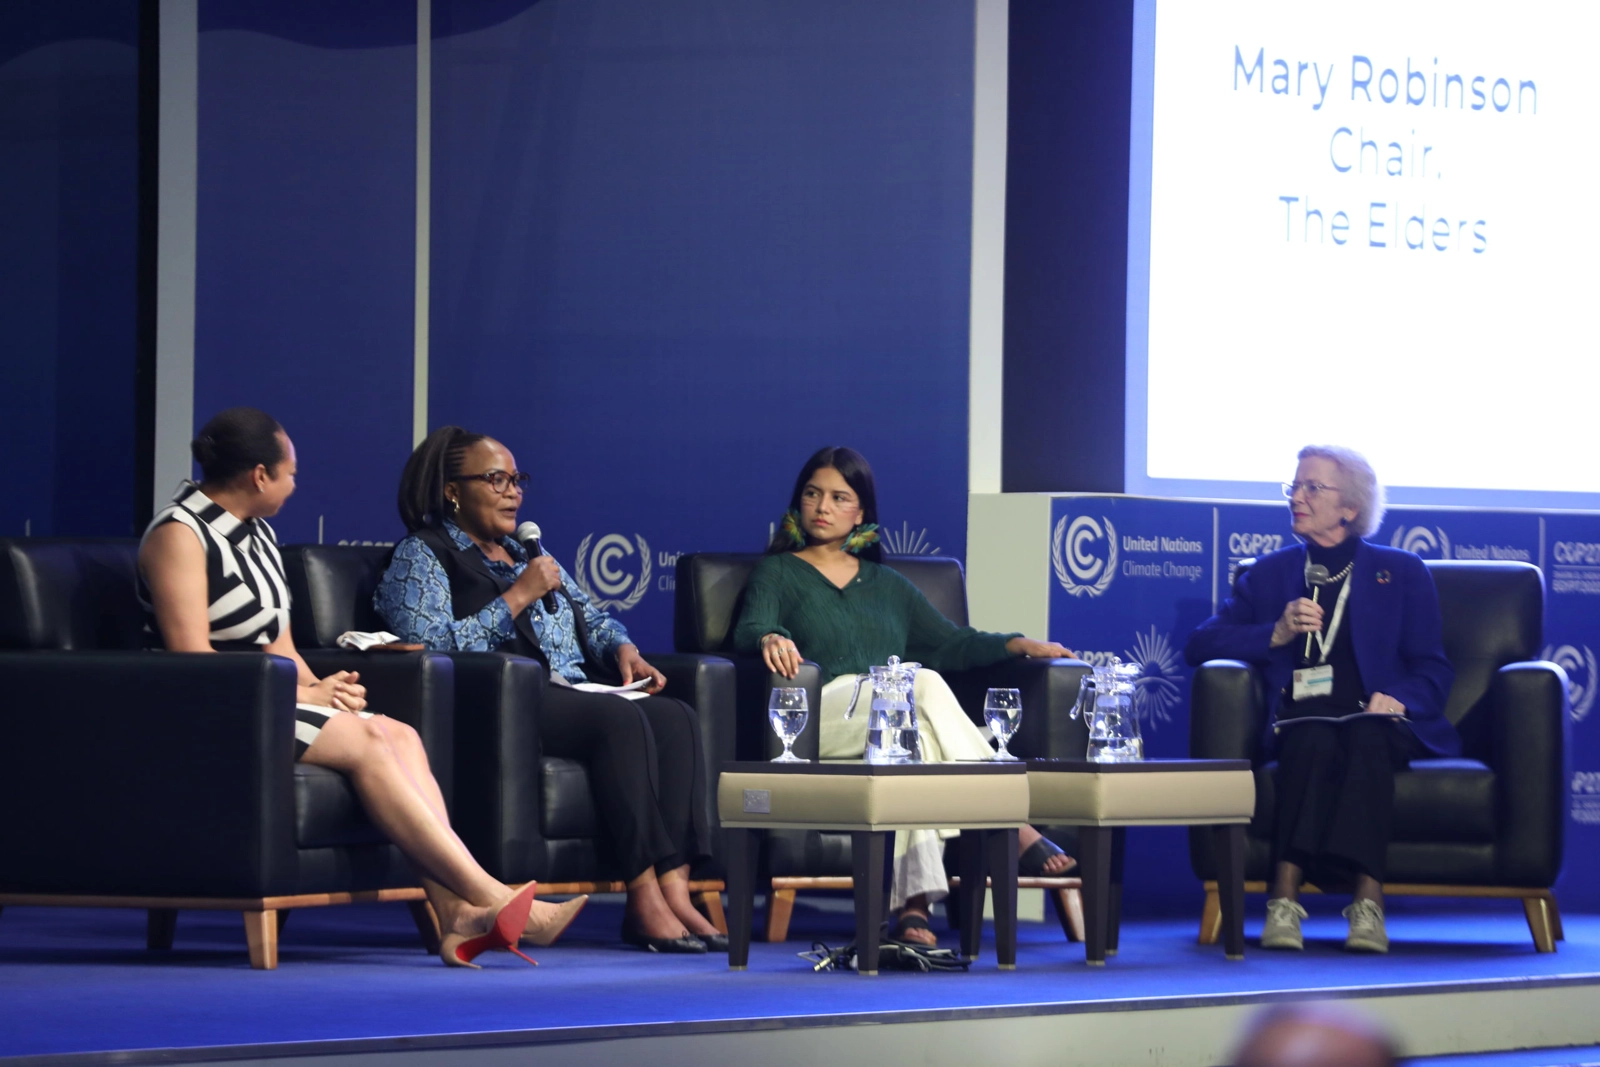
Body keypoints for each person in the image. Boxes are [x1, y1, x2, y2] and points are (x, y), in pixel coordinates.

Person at [138, 408, 584, 968]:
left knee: (399, 735)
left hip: (268, 697)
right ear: (259, 475)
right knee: (370, 745)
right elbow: (192, 660)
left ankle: (454, 913)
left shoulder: (257, 537)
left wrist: (322, 685)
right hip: (210, 709)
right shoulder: (180, 535)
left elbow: (281, 649)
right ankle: (492, 896)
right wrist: (300, 698)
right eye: (291, 473)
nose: (296, 484)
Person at [374, 426, 723, 955]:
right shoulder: (421, 556)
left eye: (517, 479)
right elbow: (430, 647)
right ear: (452, 490)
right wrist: (517, 596)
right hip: (495, 705)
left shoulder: (524, 551)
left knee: (674, 717)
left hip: (568, 691)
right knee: (617, 720)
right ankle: (643, 894)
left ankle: (676, 888)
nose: (513, 491)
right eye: (496, 479)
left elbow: (590, 616)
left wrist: (621, 649)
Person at [732, 446, 1077, 946]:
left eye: (837, 497)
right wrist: (770, 638)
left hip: (889, 719)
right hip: (823, 715)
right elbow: (751, 628)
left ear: (861, 513)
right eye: (812, 494)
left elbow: (951, 642)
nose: (821, 507)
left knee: (913, 742)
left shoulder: (888, 586)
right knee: (922, 684)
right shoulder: (779, 573)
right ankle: (1014, 817)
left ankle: (913, 911)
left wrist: (1016, 643)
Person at [1185, 445, 1457, 954]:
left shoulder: (1401, 572)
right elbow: (1199, 644)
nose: (1297, 498)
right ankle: (1283, 900)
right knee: (1309, 735)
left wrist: (1398, 697)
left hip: (1376, 717)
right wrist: (1273, 632)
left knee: (1367, 737)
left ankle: (1368, 902)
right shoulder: (1267, 575)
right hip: (1303, 714)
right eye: (1294, 487)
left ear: (1349, 508)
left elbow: (1433, 666)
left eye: (1313, 488)